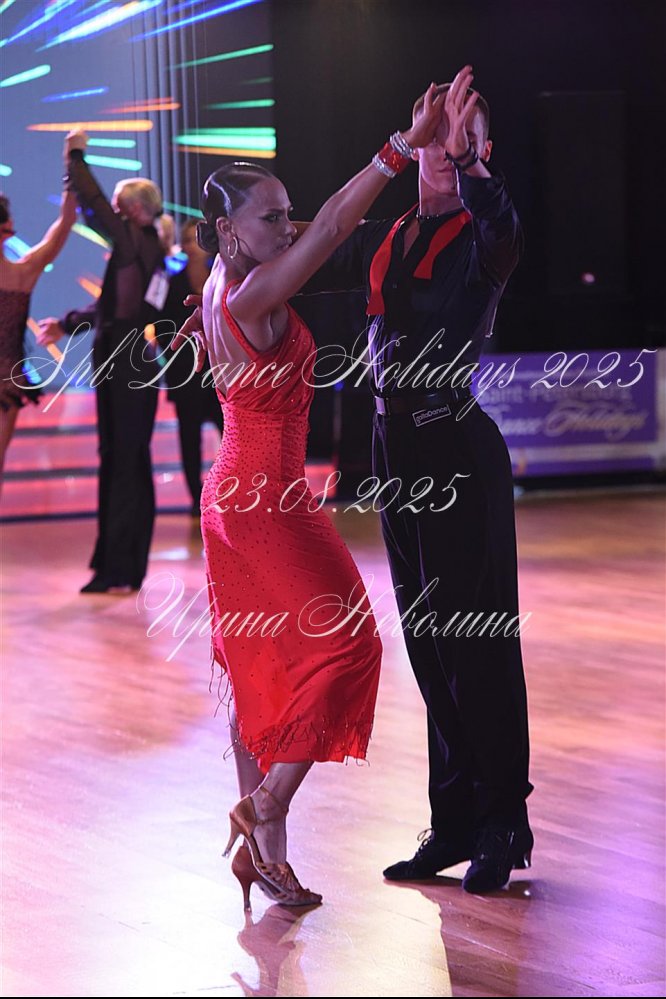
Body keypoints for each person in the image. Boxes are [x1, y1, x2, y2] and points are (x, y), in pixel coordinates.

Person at [173, 84, 445, 908]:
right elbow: (332, 228)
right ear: (228, 230)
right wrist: (400, 147)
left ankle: (267, 854)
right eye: (269, 217)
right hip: (266, 502)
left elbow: (301, 242)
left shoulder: (221, 287)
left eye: (285, 212)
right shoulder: (250, 294)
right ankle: (265, 804)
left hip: (236, 498)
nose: (286, 226)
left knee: (261, 668)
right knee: (352, 644)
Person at [298, 66, 534, 894]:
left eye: (457, 142)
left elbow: (503, 225)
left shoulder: (484, 233)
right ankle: (455, 819)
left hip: (456, 447)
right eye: (432, 140)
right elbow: (313, 242)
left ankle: (503, 821)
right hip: (394, 450)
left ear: (480, 151)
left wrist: (467, 164)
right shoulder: (393, 232)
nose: (440, 151)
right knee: (429, 645)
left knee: (477, 644)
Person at [38, 131, 167, 593]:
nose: (112, 213)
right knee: (122, 459)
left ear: (134, 210)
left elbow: (92, 206)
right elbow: (109, 309)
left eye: (119, 206)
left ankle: (119, 568)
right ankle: (121, 566)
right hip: (127, 361)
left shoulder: (136, 241)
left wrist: (75, 154)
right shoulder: (141, 247)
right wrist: (65, 324)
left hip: (127, 364)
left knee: (123, 461)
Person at [0, 167, 77, 483]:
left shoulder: (22, 271)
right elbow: (66, 221)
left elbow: (65, 223)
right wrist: (73, 166)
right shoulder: (22, 273)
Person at [160, 219, 223, 517]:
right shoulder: (172, 283)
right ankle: (197, 499)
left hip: (221, 373)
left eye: (195, 239)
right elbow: (163, 330)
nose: (191, 245)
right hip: (186, 375)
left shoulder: (221, 277)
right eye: (186, 240)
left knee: (232, 433)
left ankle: (230, 491)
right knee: (189, 438)